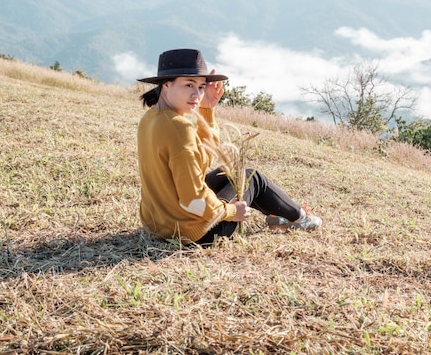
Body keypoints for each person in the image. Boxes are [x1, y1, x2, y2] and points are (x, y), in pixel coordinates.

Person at [136, 48, 322, 245]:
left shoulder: (150, 118)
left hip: (158, 223)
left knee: (229, 173)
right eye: (189, 85)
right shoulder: (178, 126)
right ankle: (300, 217)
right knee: (253, 178)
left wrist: (207, 109)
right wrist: (232, 211)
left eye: (200, 87)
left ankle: (279, 216)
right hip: (192, 233)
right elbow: (193, 199)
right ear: (166, 85)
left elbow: (201, 158)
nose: (196, 94)